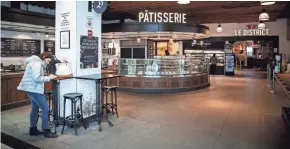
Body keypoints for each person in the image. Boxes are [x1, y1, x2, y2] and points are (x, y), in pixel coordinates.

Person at [17, 52, 58, 138]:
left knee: (35, 108)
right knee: (45, 108)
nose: (48, 62)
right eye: (48, 60)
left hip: (30, 88)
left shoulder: (34, 62)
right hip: (33, 89)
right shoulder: (37, 63)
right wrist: (49, 77)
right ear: (44, 57)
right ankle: (46, 131)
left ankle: (33, 129)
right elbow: (36, 78)